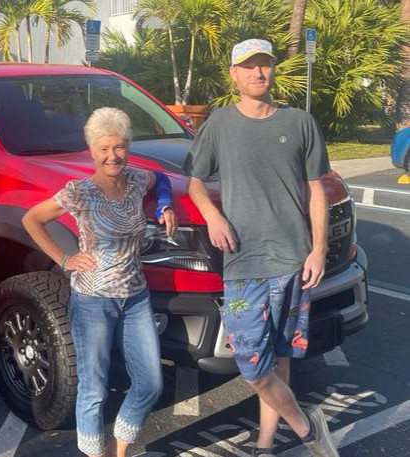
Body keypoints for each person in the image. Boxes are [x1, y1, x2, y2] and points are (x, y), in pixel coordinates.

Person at [185, 39, 338, 457]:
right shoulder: (219, 124)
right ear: (233, 75)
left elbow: (317, 189)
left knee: (280, 358)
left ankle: (266, 444)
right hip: (243, 261)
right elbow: (195, 180)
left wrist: (318, 249)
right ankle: (308, 428)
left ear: (273, 70)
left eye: (265, 65)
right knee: (252, 364)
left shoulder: (300, 121)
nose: (258, 73)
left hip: (293, 258)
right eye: (248, 67)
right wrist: (213, 217)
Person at [22, 107, 177, 457]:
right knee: (93, 389)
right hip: (92, 301)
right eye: (105, 148)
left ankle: (119, 450)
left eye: (120, 147)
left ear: (128, 147)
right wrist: (64, 258)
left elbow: (161, 179)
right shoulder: (79, 192)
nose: (113, 155)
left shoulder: (137, 180)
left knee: (150, 383)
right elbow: (32, 220)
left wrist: (164, 206)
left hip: (135, 298)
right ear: (92, 151)